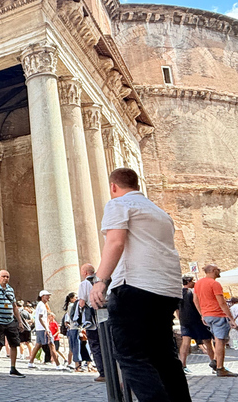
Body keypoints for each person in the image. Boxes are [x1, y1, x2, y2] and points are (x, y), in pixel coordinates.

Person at [89, 168, 192, 402]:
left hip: (134, 285)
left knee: (131, 356)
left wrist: (101, 280)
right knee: (165, 357)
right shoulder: (160, 213)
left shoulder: (119, 204)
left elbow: (115, 242)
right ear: (137, 185)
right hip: (166, 290)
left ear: (113, 187)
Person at [193, 265, 238, 377]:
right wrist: (231, 318)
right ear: (213, 271)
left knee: (217, 338)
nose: (219, 271)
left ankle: (215, 360)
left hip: (207, 315)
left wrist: (202, 314)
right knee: (220, 341)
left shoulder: (198, 283)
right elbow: (222, 303)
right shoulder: (214, 284)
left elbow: (195, 300)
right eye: (218, 270)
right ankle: (220, 367)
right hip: (218, 314)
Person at [0, 270, 26, 378]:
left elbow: (14, 306)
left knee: (14, 344)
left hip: (10, 320)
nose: (5, 278)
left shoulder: (10, 289)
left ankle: (13, 368)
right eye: (3, 276)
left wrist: (20, 321)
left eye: (7, 276)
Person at [178, 274, 214, 374]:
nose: (195, 282)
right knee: (208, 341)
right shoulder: (193, 292)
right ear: (188, 282)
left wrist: (181, 319)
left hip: (184, 321)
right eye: (193, 280)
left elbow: (177, 309)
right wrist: (202, 315)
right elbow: (198, 305)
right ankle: (215, 364)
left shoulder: (179, 294)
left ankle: (183, 366)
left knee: (185, 343)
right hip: (196, 320)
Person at [78, 263, 104, 381]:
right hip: (104, 318)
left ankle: (103, 373)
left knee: (95, 346)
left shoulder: (84, 284)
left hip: (92, 322)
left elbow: (82, 302)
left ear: (85, 273)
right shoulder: (101, 282)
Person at [27, 290, 61, 369]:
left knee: (38, 345)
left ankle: (31, 362)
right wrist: (46, 328)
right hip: (43, 328)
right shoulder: (42, 305)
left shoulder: (40, 304)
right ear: (42, 296)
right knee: (51, 345)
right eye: (47, 295)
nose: (49, 297)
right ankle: (58, 364)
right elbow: (41, 318)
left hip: (40, 328)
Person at [64, 292, 84, 371]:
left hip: (73, 328)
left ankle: (77, 364)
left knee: (75, 347)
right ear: (71, 299)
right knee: (76, 346)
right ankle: (77, 365)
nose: (77, 298)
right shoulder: (72, 306)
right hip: (75, 327)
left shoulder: (71, 306)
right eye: (75, 297)